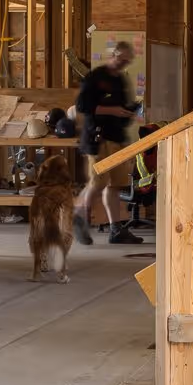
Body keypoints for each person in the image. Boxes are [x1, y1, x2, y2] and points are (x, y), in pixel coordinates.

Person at [72, 42, 141, 246]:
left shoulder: (120, 80)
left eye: (127, 61)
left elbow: (121, 109)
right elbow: (83, 106)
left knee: (116, 184)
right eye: (121, 60)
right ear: (114, 55)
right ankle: (79, 215)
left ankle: (115, 229)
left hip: (116, 138)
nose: (123, 64)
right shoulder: (95, 77)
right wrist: (113, 111)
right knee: (98, 182)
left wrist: (129, 112)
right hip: (97, 138)